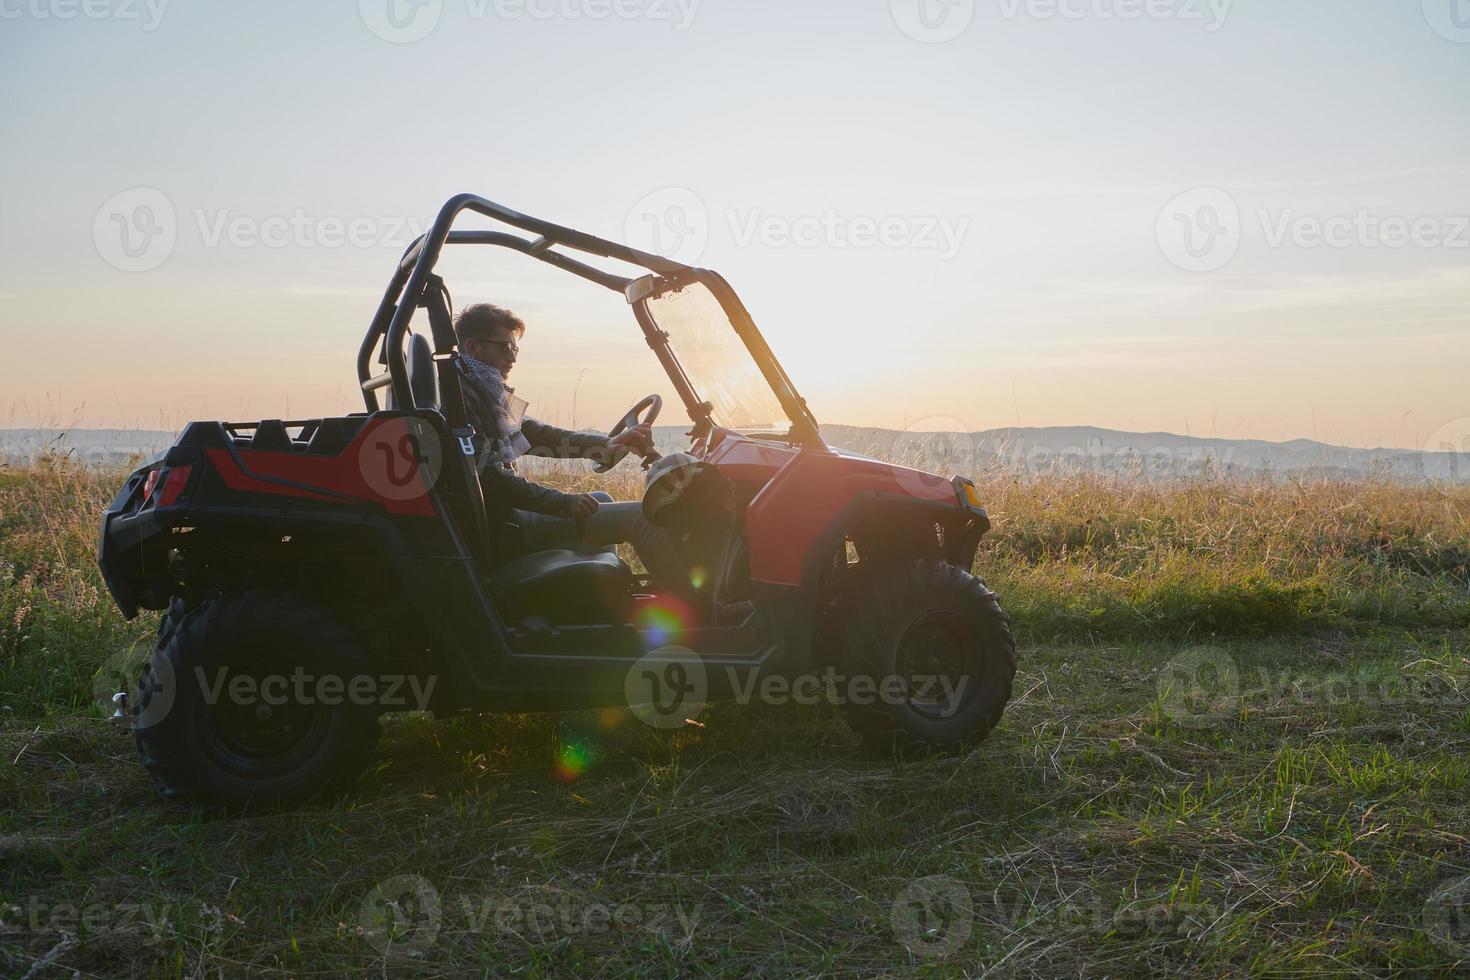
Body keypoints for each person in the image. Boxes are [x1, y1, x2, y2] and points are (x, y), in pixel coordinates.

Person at [453, 303, 685, 589]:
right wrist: (563, 502)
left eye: (514, 349)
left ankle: (604, 597)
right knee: (642, 517)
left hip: (502, 517)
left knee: (602, 499)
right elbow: (491, 480)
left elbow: (536, 434)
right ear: (473, 348)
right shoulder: (461, 400)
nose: (512, 357)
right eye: (505, 348)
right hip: (504, 527)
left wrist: (605, 444)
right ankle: (702, 609)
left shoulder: (479, 388)